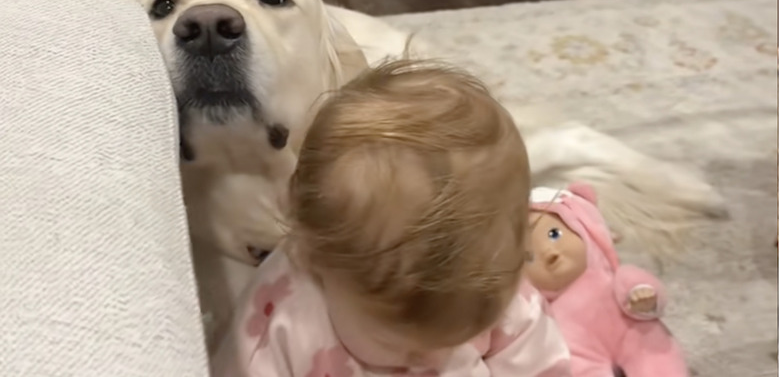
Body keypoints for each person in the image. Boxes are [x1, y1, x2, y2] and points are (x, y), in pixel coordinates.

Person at [211, 60, 572, 377]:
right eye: (400, 345)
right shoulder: (279, 327)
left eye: (457, 338)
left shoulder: (490, 284)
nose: (427, 359)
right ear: (312, 254)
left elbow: (537, 361)